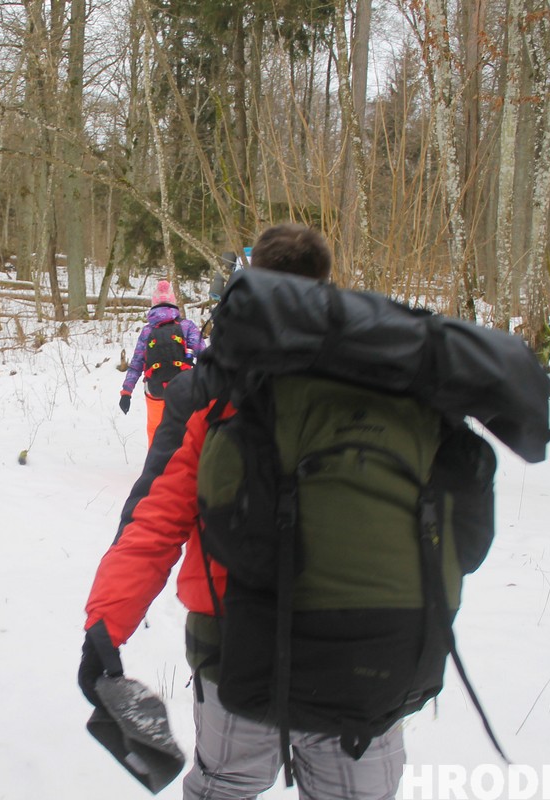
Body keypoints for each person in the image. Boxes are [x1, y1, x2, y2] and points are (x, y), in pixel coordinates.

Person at [81, 223, 404, 800]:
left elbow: (153, 519)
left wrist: (105, 625)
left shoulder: (211, 396)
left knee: (224, 787)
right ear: (325, 286)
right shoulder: (385, 390)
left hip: (238, 654)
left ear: (249, 285)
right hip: (368, 660)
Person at [119, 279, 205, 445]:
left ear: (153, 305)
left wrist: (126, 392)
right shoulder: (187, 326)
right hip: (184, 388)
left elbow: (137, 363)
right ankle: (185, 466)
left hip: (154, 388)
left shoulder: (147, 331)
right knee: (186, 429)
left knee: (155, 429)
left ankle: (156, 468)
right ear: (174, 303)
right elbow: (205, 355)